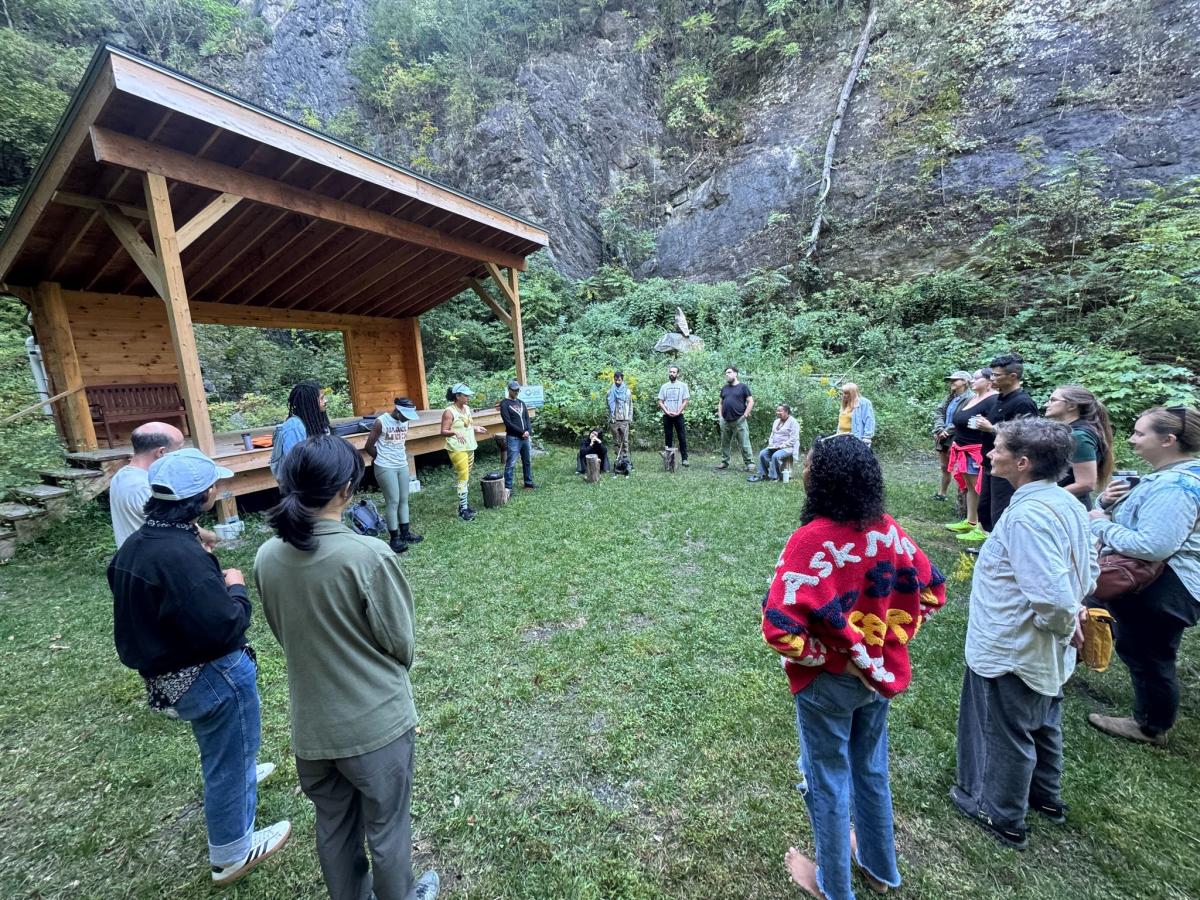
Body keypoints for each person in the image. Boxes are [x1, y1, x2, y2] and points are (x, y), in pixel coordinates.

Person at [256, 436, 440, 900]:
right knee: (387, 829)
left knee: (335, 827)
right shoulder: (367, 555)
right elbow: (401, 643)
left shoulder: (266, 557)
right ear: (345, 489)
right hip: (375, 723)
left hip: (313, 732)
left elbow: (283, 631)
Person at [762, 435, 946, 899]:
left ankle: (833, 885)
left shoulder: (811, 541)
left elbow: (780, 629)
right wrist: (884, 646)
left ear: (822, 479)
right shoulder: (889, 530)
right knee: (870, 769)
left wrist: (829, 659)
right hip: (876, 681)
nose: (804, 468)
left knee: (827, 780)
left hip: (830, 684)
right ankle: (881, 869)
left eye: (810, 463)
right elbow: (931, 592)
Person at [108, 448, 290, 886]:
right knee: (226, 758)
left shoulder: (139, 545)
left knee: (230, 747)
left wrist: (195, 541)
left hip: (172, 673)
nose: (217, 489)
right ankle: (232, 852)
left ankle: (243, 773)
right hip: (210, 675)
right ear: (202, 495)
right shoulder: (180, 560)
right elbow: (224, 626)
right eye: (214, 485)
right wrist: (236, 587)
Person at [952, 418, 1098, 850]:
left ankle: (999, 811)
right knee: (1042, 719)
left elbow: (1050, 593)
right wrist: (1073, 611)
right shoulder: (1066, 503)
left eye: (996, 448)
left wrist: (1066, 621)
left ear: (1022, 461)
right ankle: (1045, 796)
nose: (989, 453)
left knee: (1005, 728)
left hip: (1015, 643)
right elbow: (1087, 568)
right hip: (1041, 644)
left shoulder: (1028, 517)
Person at [1087, 406, 1200, 747]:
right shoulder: (1170, 476)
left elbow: (1153, 545)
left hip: (1166, 585)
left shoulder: (1177, 487)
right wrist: (1106, 502)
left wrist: (1100, 525)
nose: (1132, 439)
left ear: (1168, 440)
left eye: (1140, 433)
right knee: (1143, 647)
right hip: (1160, 582)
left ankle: (1151, 725)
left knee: (1150, 652)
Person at [109, 421, 205, 549]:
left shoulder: (121, 475)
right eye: (179, 449)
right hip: (153, 560)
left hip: (135, 555)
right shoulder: (146, 486)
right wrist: (209, 535)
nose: (181, 455)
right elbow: (176, 526)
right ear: (161, 452)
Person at [971, 353, 1039, 532]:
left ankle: (1003, 553)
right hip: (990, 464)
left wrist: (991, 428)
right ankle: (990, 548)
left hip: (1008, 467)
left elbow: (1027, 436)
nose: (992, 378)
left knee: (1000, 512)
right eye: (991, 374)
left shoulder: (1023, 403)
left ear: (1013, 376)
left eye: (996, 375)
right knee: (985, 510)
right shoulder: (1000, 398)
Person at [944, 369, 999, 544]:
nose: (972, 381)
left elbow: (993, 425)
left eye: (977, 378)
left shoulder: (993, 399)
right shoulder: (973, 398)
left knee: (979, 487)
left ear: (989, 381)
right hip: (962, 447)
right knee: (968, 486)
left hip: (977, 449)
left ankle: (983, 527)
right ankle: (970, 520)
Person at [364, 397, 423, 554]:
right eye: (404, 415)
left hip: (401, 464)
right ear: (397, 411)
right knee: (393, 501)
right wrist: (381, 459)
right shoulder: (381, 422)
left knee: (404, 499)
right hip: (385, 466)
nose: (406, 419)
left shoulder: (405, 421)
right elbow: (368, 446)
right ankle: (394, 538)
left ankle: (405, 533)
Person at [1043, 385, 1114, 509]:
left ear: (1072, 406)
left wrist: (1045, 498)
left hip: (1068, 507)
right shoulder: (1069, 432)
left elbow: (1086, 484)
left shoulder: (1079, 436)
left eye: (1053, 400)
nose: (1046, 404)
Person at [439, 383, 488, 521]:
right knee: (463, 477)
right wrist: (454, 432)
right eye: (465, 395)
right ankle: (463, 511)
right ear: (457, 396)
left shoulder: (466, 408)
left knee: (466, 477)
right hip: (457, 448)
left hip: (469, 446)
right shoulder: (449, 412)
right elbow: (443, 431)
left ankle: (463, 505)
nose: (468, 397)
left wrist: (476, 428)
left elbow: (468, 425)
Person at [270, 380, 331, 479]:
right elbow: (295, 463)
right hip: (301, 483)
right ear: (310, 402)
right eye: (322, 398)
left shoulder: (315, 421)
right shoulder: (294, 426)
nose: (325, 401)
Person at [932, 372, 972, 500]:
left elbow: (962, 418)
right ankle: (942, 493)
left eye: (956, 380)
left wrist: (946, 432)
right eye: (951, 380)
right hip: (943, 435)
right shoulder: (950, 397)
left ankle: (963, 497)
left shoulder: (970, 398)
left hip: (958, 435)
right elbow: (939, 412)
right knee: (945, 466)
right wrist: (939, 429)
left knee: (959, 468)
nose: (952, 382)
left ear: (965, 382)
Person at [499, 379, 537, 492]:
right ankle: (508, 488)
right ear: (509, 390)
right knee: (510, 463)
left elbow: (527, 419)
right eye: (514, 390)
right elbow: (508, 423)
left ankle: (528, 483)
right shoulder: (505, 404)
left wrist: (528, 431)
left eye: (518, 390)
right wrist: (522, 432)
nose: (516, 392)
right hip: (513, 438)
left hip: (525, 438)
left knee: (527, 461)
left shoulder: (521, 403)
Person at [748, 404, 800, 482]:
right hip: (774, 446)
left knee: (775, 456)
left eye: (780, 411)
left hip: (788, 447)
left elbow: (793, 439)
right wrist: (771, 444)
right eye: (777, 411)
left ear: (786, 412)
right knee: (762, 453)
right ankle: (764, 475)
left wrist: (782, 446)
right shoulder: (776, 421)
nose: (778, 412)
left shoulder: (793, 422)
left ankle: (776, 477)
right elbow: (772, 435)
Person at [716, 366, 754, 471]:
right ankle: (724, 462)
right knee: (724, 443)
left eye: (729, 372)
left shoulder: (743, 387)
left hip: (739, 420)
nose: (727, 375)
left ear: (735, 373)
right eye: (726, 373)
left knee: (744, 443)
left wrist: (745, 415)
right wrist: (720, 417)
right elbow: (720, 403)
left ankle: (750, 463)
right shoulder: (724, 388)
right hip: (725, 421)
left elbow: (751, 401)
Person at [657, 365, 690, 467]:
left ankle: (684, 459)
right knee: (668, 437)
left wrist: (678, 411)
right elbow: (660, 401)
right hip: (667, 416)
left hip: (679, 415)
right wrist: (666, 411)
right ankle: (669, 458)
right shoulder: (664, 386)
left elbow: (685, 401)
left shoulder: (683, 385)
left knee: (682, 437)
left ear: (677, 374)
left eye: (674, 372)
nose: (671, 374)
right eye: (670, 372)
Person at [835, 382, 876, 447]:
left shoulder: (864, 403)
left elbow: (869, 420)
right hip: (841, 438)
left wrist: (867, 438)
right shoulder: (844, 404)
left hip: (855, 439)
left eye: (846, 393)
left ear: (852, 393)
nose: (844, 395)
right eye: (843, 393)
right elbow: (840, 423)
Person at [607, 371, 634, 465]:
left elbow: (630, 405)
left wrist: (630, 417)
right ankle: (618, 457)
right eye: (615, 380)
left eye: (619, 380)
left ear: (622, 380)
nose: (617, 382)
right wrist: (610, 417)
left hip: (624, 419)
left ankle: (625, 458)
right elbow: (607, 406)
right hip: (614, 420)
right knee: (616, 440)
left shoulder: (627, 391)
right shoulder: (610, 391)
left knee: (625, 440)